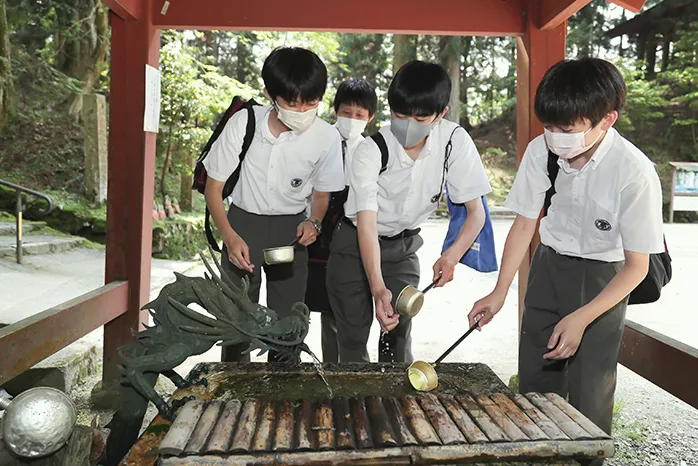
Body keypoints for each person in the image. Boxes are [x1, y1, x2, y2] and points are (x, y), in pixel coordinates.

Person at [468, 58, 664, 447]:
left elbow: (637, 266)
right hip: (548, 266)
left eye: (567, 129)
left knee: (590, 389)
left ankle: (587, 455)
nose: (555, 137)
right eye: (549, 126)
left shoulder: (634, 172)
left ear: (606, 120)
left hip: (603, 280)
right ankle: (537, 453)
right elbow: (525, 224)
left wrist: (582, 318)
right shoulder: (542, 151)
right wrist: (499, 291)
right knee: (536, 382)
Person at [327, 61, 492, 363]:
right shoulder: (371, 150)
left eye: (420, 117)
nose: (407, 125)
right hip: (354, 245)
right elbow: (366, 224)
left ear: (441, 113)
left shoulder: (454, 141)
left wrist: (451, 256)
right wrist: (378, 288)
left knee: (398, 331)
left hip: (402, 249)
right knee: (351, 337)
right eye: (400, 115)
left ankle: (395, 407)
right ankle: (353, 406)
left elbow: (476, 212)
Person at [203, 47, 345, 363]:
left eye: (312, 102)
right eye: (292, 102)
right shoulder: (244, 123)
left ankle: (284, 390)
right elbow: (213, 189)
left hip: (289, 232)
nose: (303, 110)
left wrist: (315, 222)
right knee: (238, 316)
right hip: (242, 226)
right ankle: (236, 386)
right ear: (270, 93)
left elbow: (322, 194)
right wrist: (229, 236)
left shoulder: (325, 137)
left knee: (288, 319)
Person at [305, 78, 377, 363]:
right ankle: (327, 365)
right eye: (346, 112)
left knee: (346, 304)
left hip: (350, 233)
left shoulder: (370, 148)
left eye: (359, 115)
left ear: (370, 118)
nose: (352, 119)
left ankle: (348, 366)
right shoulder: (319, 139)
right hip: (319, 232)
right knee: (323, 303)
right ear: (335, 110)